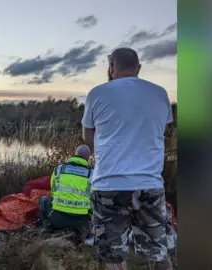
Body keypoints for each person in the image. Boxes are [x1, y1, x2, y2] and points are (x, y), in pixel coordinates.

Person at [82, 47, 174, 270]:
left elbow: (87, 137)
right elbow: (161, 129)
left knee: (114, 255)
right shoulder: (160, 93)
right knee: (158, 251)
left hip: (109, 184)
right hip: (149, 184)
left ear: (111, 67)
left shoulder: (97, 93)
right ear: (138, 68)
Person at [38, 145, 93, 243]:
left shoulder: (59, 169)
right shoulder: (92, 174)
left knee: (43, 200)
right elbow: (94, 199)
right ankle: (81, 234)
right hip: (81, 222)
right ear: (88, 157)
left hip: (58, 219)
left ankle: (48, 227)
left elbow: (53, 192)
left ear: (75, 154)